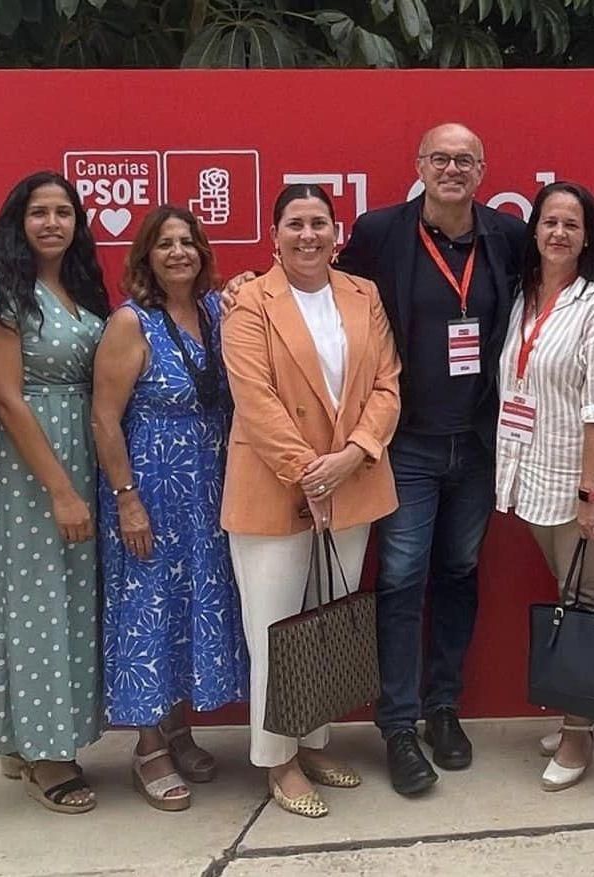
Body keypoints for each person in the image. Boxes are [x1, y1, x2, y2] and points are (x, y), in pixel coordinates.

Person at [335, 123, 528, 795]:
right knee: (401, 576)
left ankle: (443, 706)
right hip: (406, 441)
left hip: (477, 442)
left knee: (459, 570)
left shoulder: (506, 234)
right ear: (419, 165)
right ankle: (398, 722)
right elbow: (334, 303)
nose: (452, 168)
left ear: (482, 168)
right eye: (440, 158)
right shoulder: (381, 231)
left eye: (465, 159)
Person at [222, 184, 402, 817]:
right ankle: (278, 760)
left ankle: (315, 738)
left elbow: (387, 383)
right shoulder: (248, 300)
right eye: (295, 224)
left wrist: (353, 455)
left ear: (336, 231)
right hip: (274, 488)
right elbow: (255, 397)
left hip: (350, 485)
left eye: (319, 223)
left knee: (326, 623)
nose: (308, 235)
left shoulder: (363, 295)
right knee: (274, 630)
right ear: (274, 234)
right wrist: (309, 472)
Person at [90, 206, 249, 811]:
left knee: (193, 606)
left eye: (188, 242)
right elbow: (105, 418)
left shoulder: (214, 311)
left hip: (210, 486)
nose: (179, 252)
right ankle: (148, 747)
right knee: (148, 610)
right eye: (166, 244)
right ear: (147, 258)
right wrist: (127, 501)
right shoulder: (131, 322)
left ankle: (178, 728)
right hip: (151, 487)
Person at [0, 171, 111, 814]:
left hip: (86, 451)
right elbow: (6, 398)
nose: (53, 223)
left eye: (64, 213)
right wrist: (60, 489)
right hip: (33, 465)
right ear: (17, 224)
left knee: (74, 600)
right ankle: (46, 756)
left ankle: (32, 738)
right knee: (37, 604)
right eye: (39, 213)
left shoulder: (78, 289)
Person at [493, 181, 594, 792]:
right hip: (531, 470)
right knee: (572, 591)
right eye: (549, 221)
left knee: (584, 606)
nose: (557, 233)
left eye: (571, 225)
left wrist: (590, 493)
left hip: (580, 479)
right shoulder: (522, 299)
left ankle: (578, 736)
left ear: (587, 238)